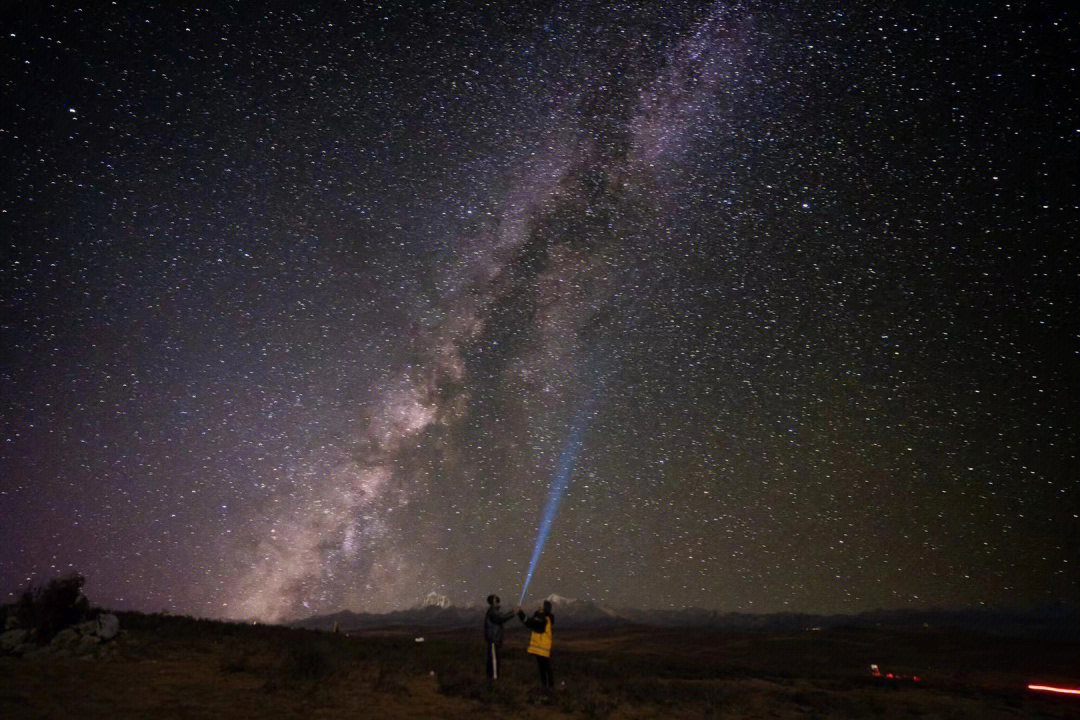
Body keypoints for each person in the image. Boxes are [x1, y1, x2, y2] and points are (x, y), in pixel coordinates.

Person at [518, 599, 555, 692]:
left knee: (545, 668)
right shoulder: (540, 617)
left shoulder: (544, 619)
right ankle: (546, 686)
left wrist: (520, 614)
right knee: (543, 668)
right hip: (540, 647)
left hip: (542, 647)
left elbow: (531, 623)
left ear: (545, 608)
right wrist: (520, 614)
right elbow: (531, 622)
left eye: (541, 605)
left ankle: (549, 687)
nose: (539, 606)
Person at [483, 594, 516, 680]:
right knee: (494, 660)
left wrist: (513, 612)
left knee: (493, 659)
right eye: (495, 599)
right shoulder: (493, 611)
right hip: (493, 639)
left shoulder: (493, 611)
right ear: (493, 601)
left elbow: (501, 617)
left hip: (494, 639)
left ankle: (491, 678)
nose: (497, 599)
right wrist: (514, 612)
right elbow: (501, 618)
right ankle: (494, 679)